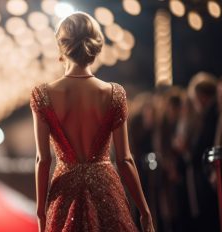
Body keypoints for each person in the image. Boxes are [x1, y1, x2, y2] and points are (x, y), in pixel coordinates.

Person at [30, 12, 154, 232]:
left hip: (64, 190)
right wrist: (144, 211)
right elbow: (125, 159)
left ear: (62, 46)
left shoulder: (43, 95)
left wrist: (40, 212)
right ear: (96, 46)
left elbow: (43, 160)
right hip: (106, 189)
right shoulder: (114, 93)